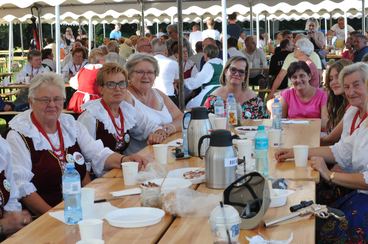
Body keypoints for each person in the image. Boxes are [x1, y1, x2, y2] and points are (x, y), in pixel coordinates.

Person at [6, 73, 147, 216]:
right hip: (43, 217)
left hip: (79, 209)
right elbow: (22, 186)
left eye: (57, 99)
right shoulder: (20, 134)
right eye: (45, 100)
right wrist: (51, 215)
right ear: (31, 101)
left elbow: (97, 152)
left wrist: (124, 160)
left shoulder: (70, 125)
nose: (52, 105)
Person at [274, 63, 368, 243]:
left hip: (363, 196)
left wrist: (330, 174)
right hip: (357, 191)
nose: (350, 92)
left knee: (320, 227)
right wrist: (294, 152)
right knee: (306, 208)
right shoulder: (355, 112)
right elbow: (340, 150)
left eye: (357, 85)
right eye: (347, 86)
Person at [78, 63, 168, 156]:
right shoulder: (91, 116)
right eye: (111, 84)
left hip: (122, 167)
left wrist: (158, 132)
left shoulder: (125, 109)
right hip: (101, 170)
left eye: (121, 83)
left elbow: (147, 126)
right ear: (101, 89)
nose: (117, 89)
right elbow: (85, 152)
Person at [126, 53, 183, 151]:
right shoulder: (126, 96)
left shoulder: (158, 94)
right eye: (140, 72)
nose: (145, 76)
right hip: (141, 157)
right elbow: (141, 126)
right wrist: (160, 131)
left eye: (150, 72)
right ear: (129, 74)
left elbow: (181, 118)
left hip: (168, 151)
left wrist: (171, 128)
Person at [268, 61, 327, 130]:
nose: (298, 80)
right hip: (291, 133)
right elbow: (280, 121)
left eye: (302, 76)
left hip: (314, 133)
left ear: (309, 76)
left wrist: (301, 124)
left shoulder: (322, 95)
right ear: (290, 80)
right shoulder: (287, 94)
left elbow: (325, 123)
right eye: (294, 77)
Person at [0, 136, 31, 239]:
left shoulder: (2, 146)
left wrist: (16, 223)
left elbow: (11, 200)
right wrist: (3, 226)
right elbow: (6, 225)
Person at [321, 59, 352, 145]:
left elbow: (330, 139)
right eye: (331, 79)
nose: (333, 82)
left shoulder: (353, 106)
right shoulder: (341, 103)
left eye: (338, 77)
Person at [67, 48, 106, 113]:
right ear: (99, 61)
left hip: (79, 101)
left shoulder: (83, 69)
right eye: (103, 59)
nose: (105, 61)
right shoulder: (102, 71)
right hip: (94, 102)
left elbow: (73, 84)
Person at [151, 39, 179, 105]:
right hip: (169, 95)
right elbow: (177, 79)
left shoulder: (148, 62)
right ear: (166, 51)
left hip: (153, 95)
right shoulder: (173, 63)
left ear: (152, 50)